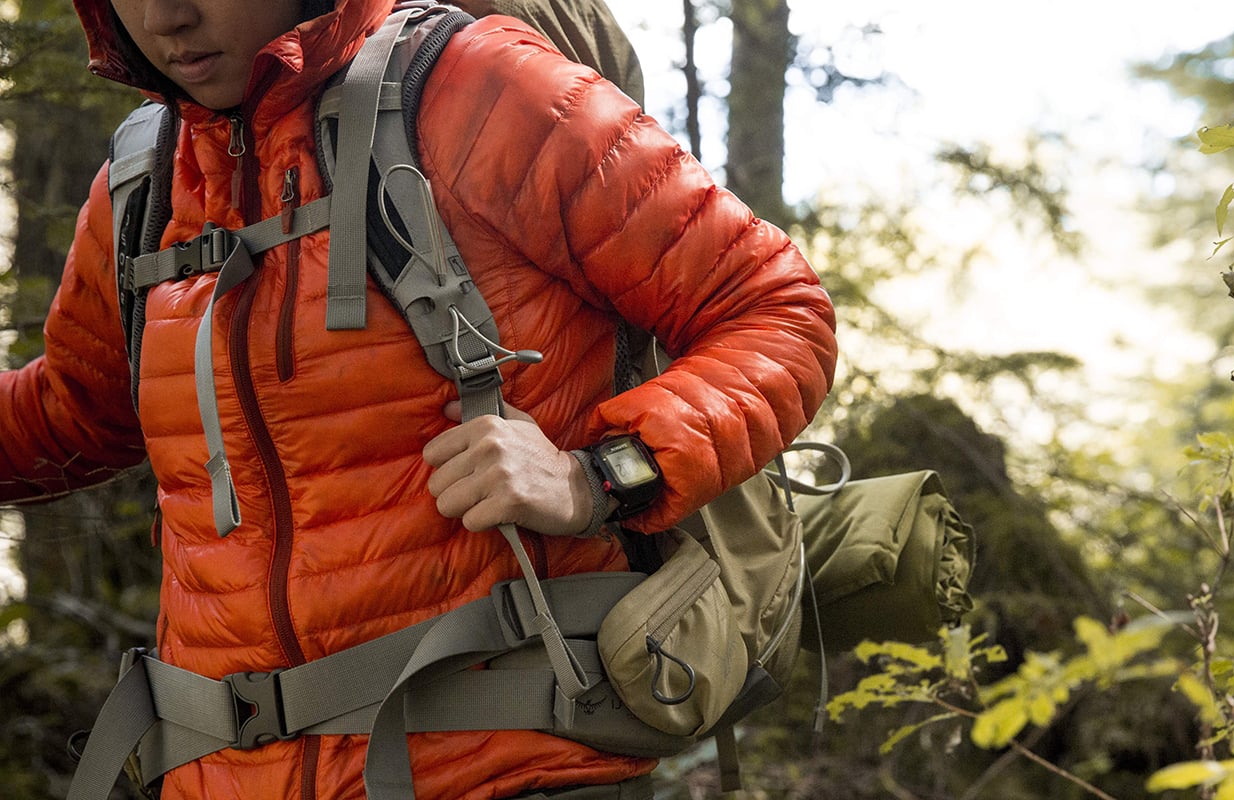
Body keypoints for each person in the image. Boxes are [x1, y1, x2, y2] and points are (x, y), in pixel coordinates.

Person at [0, 0, 837, 795]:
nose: (162, 19)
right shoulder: (145, 186)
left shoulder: (478, 89)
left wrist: (602, 474)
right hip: (217, 776)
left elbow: (776, 312)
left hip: (505, 768)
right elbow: (74, 416)